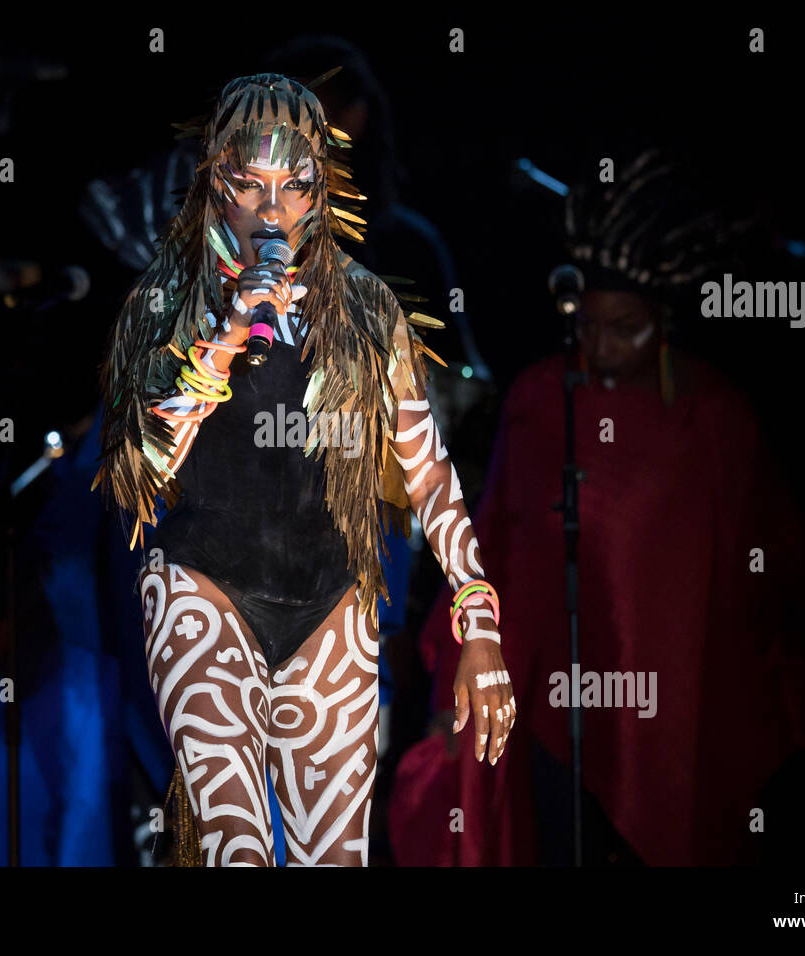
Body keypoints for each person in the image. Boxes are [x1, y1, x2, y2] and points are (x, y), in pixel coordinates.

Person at [93, 71, 511, 866]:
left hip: (331, 603)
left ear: (322, 189)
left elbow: (428, 472)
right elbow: (140, 469)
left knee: (337, 860)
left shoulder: (364, 307)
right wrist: (223, 335)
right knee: (237, 851)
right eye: (249, 184)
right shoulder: (161, 302)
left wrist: (480, 622)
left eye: (294, 185)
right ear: (216, 181)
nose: (272, 209)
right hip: (203, 588)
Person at [389, 149, 805, 866]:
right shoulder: (540, 399)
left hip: (673, 719)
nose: (600, 345)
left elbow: (764, 568)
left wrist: (788, 691)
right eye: (588, 325)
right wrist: (455, 679)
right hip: (549, 711)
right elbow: (491, 538)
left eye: (624, 326)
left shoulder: (713, 417)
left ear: (665, 320)